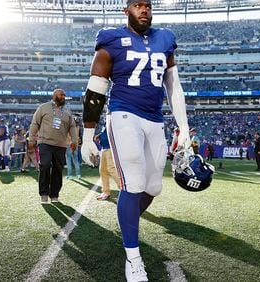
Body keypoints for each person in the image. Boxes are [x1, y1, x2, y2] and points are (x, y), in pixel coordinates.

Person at [79, 0, 191, 280]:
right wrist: (87, 135)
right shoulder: (112, 38)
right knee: (133, 183)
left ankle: (126, 222)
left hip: (154, 119)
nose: (144, 10)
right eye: (138, 5)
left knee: (153, 188)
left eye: (148, 6)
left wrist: (184, 127)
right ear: (126, 10)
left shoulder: (165, 38)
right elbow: (96, 90)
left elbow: (173, 86)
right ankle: (133, 258)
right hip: (123, 115)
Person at [29, 89, 78, 204]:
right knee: (45, 165)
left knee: (58, 169)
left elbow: (72, 127)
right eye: (61, 95)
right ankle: (44, 193)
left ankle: (54, 194)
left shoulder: (67, 111)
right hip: (45, 143)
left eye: (64, 95)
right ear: (55, 96)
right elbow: (35, 123)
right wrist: (31, 139)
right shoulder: (43, 107)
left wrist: (74, 141)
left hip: (60, 145)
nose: (64, 97)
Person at [94, 125, 121, 201]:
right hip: (104, 147)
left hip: (111, 147)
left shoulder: (114, 115)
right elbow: (106, 130)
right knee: (103, 170)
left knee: (111, 169)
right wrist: (100, 135)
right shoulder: (108, 116)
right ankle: (106, 192)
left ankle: (123, 191)